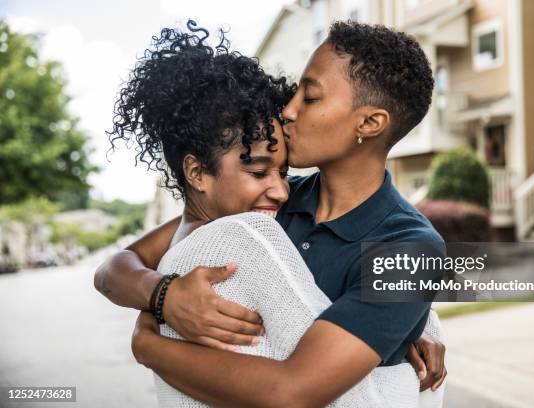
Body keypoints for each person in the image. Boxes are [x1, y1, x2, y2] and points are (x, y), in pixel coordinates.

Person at [95, 20, 447, 407]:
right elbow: (116, 268)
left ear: (369, 123)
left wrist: (147, 346)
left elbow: (292, 393)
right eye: (295, 92)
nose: (289, 110)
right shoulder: (272, 198)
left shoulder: (408, 248)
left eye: (309, 98)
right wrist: (164, 296)